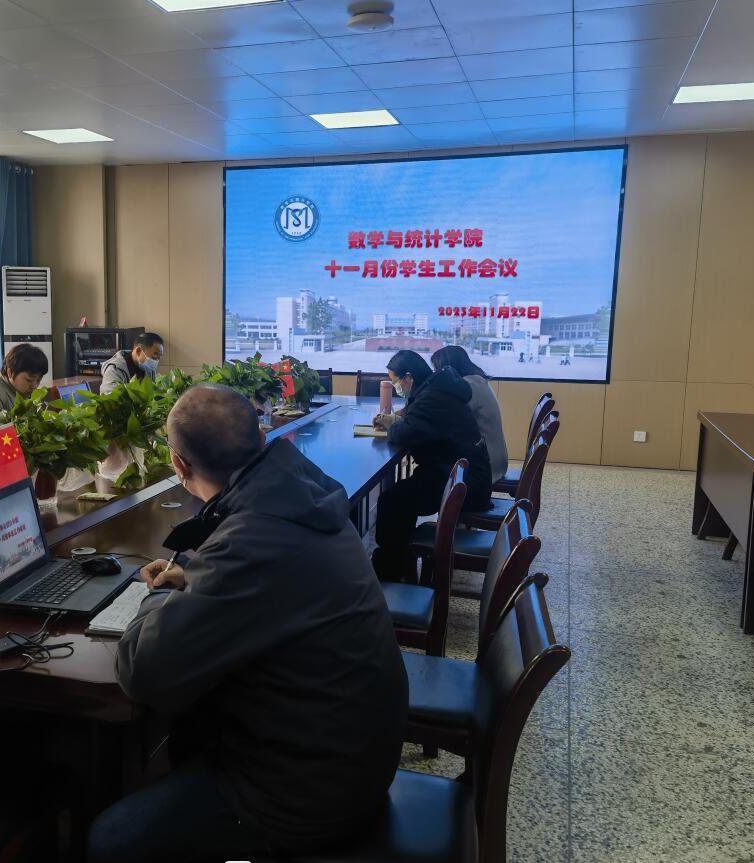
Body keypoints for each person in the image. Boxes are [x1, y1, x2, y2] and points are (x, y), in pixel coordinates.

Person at [87, 384, 407, 863]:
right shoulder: (300, 496)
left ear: (178, 465)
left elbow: (142, 670)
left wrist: (157, 596)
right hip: (354, 751)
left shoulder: (252, 537)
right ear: (261, 438)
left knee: (110, 840)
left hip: (308, 794)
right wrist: (197, 577)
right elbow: (267, 583)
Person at [371, 350, 492, 581]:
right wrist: (397, 422)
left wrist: (391, 425)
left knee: (393, 502)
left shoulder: (432, 397)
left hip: (464, 485)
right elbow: (417, 424)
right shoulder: (437, 389)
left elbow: (407, 433)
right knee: (399, 498)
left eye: (395, 382)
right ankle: (399, 563)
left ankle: (390, 574)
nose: (396, 388)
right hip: (462, 474)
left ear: (408, 377)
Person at [432, 345, 509, 484]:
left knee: (433, 469)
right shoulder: (476, 380)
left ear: (448, 368)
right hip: (494, 457)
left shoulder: (470, 385)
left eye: (437, 370)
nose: (436, 375)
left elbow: (447, 417)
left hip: (487, 464)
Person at [99, 332, 164, 395]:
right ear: (138, 351)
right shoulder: (115, 369)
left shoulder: (148, 368)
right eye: (154, 356)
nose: (156, 362)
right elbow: (110, 397)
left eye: (159, 358)